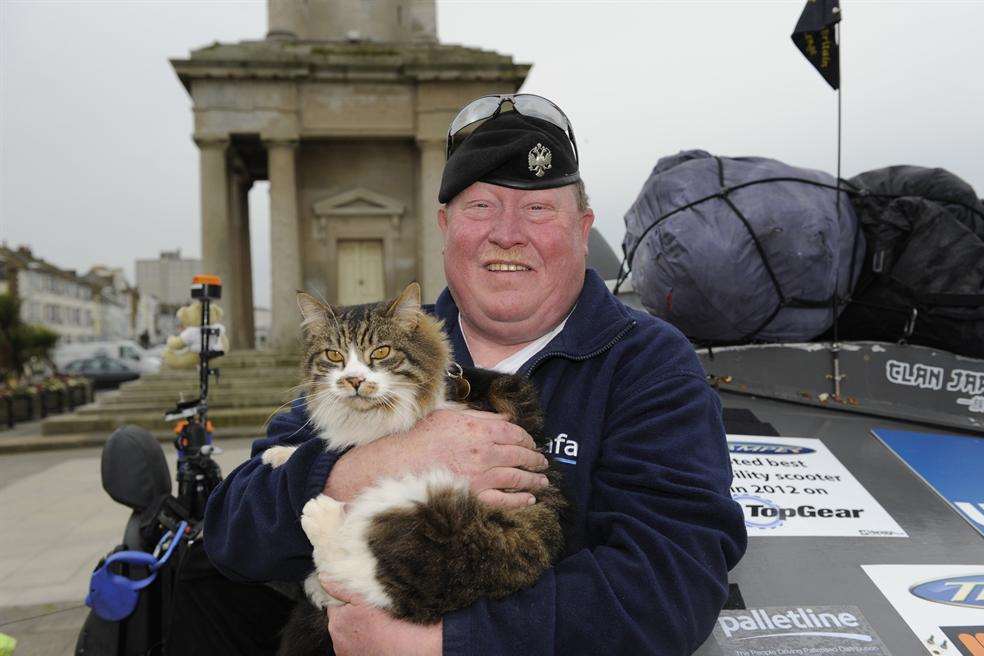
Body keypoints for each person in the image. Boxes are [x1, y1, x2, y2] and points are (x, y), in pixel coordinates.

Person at [204, 94, 746, 655]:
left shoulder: (648, 363)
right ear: (445, 227)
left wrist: (445, 642)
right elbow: (231, 533)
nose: (506, 233)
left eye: (538, 208)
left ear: (582, 229)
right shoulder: (378, 353)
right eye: (480, 207)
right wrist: (362, 468)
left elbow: (672, 583)